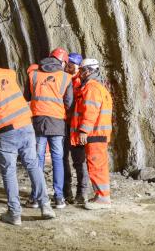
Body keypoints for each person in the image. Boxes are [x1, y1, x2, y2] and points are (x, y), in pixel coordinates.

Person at [0, 51, 56, 225]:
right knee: (33, 165)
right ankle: (45, 205)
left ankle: (14, 214)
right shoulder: (8, 73)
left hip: (5, 134)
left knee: (9, 172)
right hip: (26, 126)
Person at [25, 48, 74, 209]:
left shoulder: (34, 75)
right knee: (57, 159)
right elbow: (69, 102)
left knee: (37, 159)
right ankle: (59, 198)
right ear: (63, 62)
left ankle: (36, 197)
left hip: (38, 120)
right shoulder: (66, 78)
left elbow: (27, 96)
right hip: (57, 122)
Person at [73, 59, 113, 210]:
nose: (80, 73)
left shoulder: (92, 88)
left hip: (95, 133)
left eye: (82, 70)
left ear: (89, 71)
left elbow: (90, 111)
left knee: (96, 165)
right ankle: (101, 195)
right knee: (98, 165)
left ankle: (103, 198)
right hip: (99, 132)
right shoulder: (98, 87)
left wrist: (83, 130)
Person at [63, 52, 89, 204]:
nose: (68, 67)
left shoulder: (82, 83)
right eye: (67, 64)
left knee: (79, 161)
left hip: (77, 127)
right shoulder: (63, 80)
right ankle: (67, 193)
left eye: (71, 65)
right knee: (63, 159)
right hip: (65, 124)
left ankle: (82, 193)